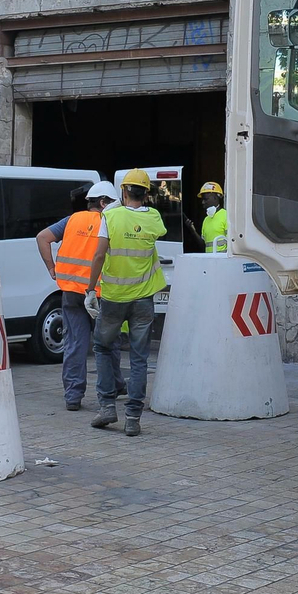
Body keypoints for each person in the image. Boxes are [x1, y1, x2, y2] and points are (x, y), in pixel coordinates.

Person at [90, 168, 167, 436]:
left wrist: (90, 290)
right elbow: (152, 233)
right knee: (139, 359)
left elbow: (99, 255)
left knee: (102, 347)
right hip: (143, 299)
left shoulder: (110, 215)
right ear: (146, 194)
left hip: (113, 297)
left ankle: (108, 407)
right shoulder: (155, 218)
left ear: (123, 191)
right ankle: (133, 417)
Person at [37, 181, 116, 410]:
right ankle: (115, 387)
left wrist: (51, 268)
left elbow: (42, 237)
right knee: (108, 343)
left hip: (70, 291)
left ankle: (73, 395)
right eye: (111, 204)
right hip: (99, 293)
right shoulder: (109, 221)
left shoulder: (71, 220)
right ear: (103, 203)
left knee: (74, 343)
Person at [186, 181, 229, 252]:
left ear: (215, 198)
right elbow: (203, 245)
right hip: (210, 260)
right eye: (202, 199)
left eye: (206, 199)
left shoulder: (226, 216)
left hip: (222, 261)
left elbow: (233, 244)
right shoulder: (206, 220)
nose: (203, 202)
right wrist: (193, 231)